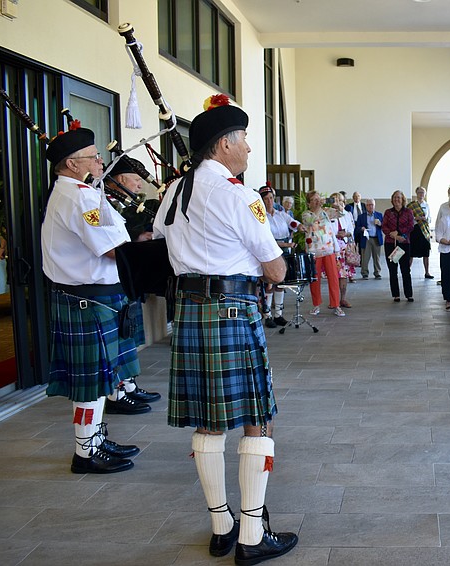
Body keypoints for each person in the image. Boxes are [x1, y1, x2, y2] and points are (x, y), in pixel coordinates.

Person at [153, 94, 298, 561]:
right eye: (244, 140)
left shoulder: (174, 192)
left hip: (191, 312)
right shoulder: (238, 194)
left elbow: (156, 240)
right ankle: (253, 537)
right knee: (258, 418)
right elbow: (275, 271)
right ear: (222, 145)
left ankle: (222, 527)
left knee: (208, 423)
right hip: (233, 310)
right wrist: (276, 260)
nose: (249, 149)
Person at [42, 125, 142, 474]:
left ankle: (95, 439)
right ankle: (85, 451)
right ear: (72, 163)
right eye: (93, 156)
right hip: (87, 301)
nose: (101, 161)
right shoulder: (79, 197)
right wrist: (150, 255)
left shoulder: (80, 192)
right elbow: (112, 248)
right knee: (90, 385)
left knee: (100, 381)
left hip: (90, 299)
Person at [102, 156, 162, 406]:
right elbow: (111, 243)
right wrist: (138, 239)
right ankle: (116, 392)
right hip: (107, 279)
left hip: (123, 277)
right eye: (136, 179)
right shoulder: (102, 203)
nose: (139, 185)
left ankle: (128, 385)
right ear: (121, 179)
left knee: (126, 337)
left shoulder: (123, 203)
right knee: (116, 341)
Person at [260, 183, 298, 328]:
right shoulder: (261, 217)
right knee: (270, 283)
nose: (269, 201)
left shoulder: (282, 214)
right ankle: (268, 315)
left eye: (271, 198)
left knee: (281, 283)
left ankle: (278, 315)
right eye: (266, 199)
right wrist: (286, 245)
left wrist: (302, 226)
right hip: (271, 250)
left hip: (285, 251)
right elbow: (266, 239)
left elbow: (293, 223)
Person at [301, 190, 345, 317]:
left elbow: (341, 213)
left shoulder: (326, 211)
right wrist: (319, 208)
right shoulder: (306, 214)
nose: (317, 201)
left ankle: (336, 305)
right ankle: (316, 305)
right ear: (309, 203)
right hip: (314, 251)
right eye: (314, 200)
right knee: (315, 279)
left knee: (333, 278)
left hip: (328, 250)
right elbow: (311, 221)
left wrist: (336, 205)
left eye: (318, 199)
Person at [382, 189, 415, 302]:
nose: (397, 199)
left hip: (404, 244)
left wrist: (400, 233)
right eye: (395, 197)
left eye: (399, 197)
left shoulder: (408, 212)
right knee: (393, 270)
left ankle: (409, 294)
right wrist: (393, 234)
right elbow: (384, 226)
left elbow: (411, 226)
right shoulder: (388, 212)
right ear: (392, 199)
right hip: (391, 244)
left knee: (405, 270)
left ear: (403, 199)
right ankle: (396, 294)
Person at [331, 191, 355, 308]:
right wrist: (336, 234)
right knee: (333, 275)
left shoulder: (347, 214)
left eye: (339, 200)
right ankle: (333, 300)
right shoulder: (328, 214)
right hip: (332, 248)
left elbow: (351, 230)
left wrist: (346, 234)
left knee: (344, 275)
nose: (337, 203)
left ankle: (343, 299)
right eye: (335, 200)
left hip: (344, 248)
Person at [408, 186, 434, 279]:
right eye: (419, 192)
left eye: (423, 192)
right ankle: (407, 271)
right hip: (415, 230)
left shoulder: (427, 205)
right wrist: (416, 218)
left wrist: (426, 219)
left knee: (426, 253)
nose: (421, 194)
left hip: (424, 231)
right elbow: (408, 218)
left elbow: (430, 218)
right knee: (411, 252)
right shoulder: (412, 205)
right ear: (416, 193)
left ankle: (427, 272)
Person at [355, 198, 383, 280]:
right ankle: (365, 273)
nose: (370, 206)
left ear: (374, 206)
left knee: (377, 257)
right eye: (368, 205)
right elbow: (357, 228)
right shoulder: (361, 217)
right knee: (365, 257)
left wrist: (380, 223)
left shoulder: (379, 215)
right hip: (366, 238)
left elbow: (384, 226)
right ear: (366, 206)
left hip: (376, 238)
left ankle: (377, 273)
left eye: (372, 205)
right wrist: (361, 228)